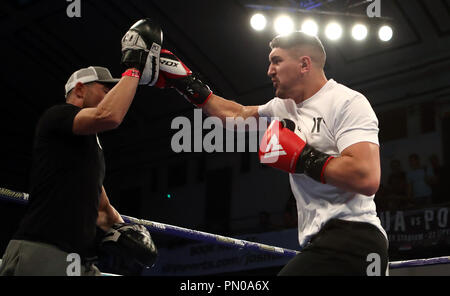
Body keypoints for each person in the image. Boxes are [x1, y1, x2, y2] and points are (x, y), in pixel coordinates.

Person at [155, 31, 388, 275]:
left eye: (277, 61)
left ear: (304, 64)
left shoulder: (347, 102)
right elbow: (237, 115)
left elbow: (366, 177)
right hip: (325, 243)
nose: (269, 70)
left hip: (355, 239)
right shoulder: (282, 106)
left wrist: (302, 157)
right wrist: (187, 83)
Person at [0, 19, 162, 276]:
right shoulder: (57, 117)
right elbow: (108, 116)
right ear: (79, 89)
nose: (110, 94)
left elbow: (101, 210)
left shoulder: (90, 145)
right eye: (104, 89)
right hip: (43, 250)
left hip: (81, 261)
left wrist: (129, 232)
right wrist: (134, 69)